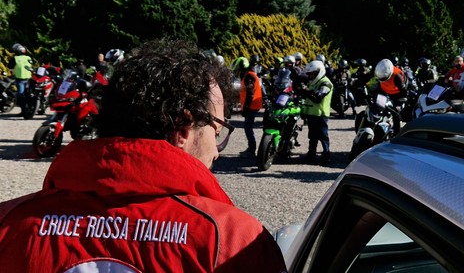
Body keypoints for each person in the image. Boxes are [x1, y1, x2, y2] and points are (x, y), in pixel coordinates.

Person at [0, 38, 287, 273]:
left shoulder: (8, 223)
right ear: (183, 130)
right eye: (217, 129)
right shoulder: (234, 241)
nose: (216, 151)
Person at [301, 60, 334, 165]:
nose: (310, 76)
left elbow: (318, 98)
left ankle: (326, 155)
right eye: (309, 74)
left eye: (312, 74)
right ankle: (311, 155)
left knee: (323, 136)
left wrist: (306, 92)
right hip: (312, 114)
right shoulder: (312, 83)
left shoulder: (326, 83)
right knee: (312, 136)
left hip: (321, 114)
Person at [374, 58, 408, 134]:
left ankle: (397, 133)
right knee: (379, 106)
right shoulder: (381, 73)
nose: (384, 79)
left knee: (396, 113)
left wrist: (400, 102)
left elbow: (404, 91)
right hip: (385, 90)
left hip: (397, 94)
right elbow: (378, 85)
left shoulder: (397, 77)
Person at [239, 54, 264, 157]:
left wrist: (246, 107)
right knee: (248, 127)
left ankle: (251, 149)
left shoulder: (249, 75)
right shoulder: (253, 74)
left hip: (251, 106)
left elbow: (250, 93)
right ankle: (251, 149)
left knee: (248, 128)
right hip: (254, 105)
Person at [8, 43, 32, 115]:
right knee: (28, 94)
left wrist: (12, 72)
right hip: (29, 79)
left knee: (20, 95)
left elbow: (9, 66)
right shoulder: (28, 57)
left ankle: (24, 110)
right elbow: (31, 65)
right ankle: (30, 108)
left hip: (20, 79)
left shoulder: (15, 58)